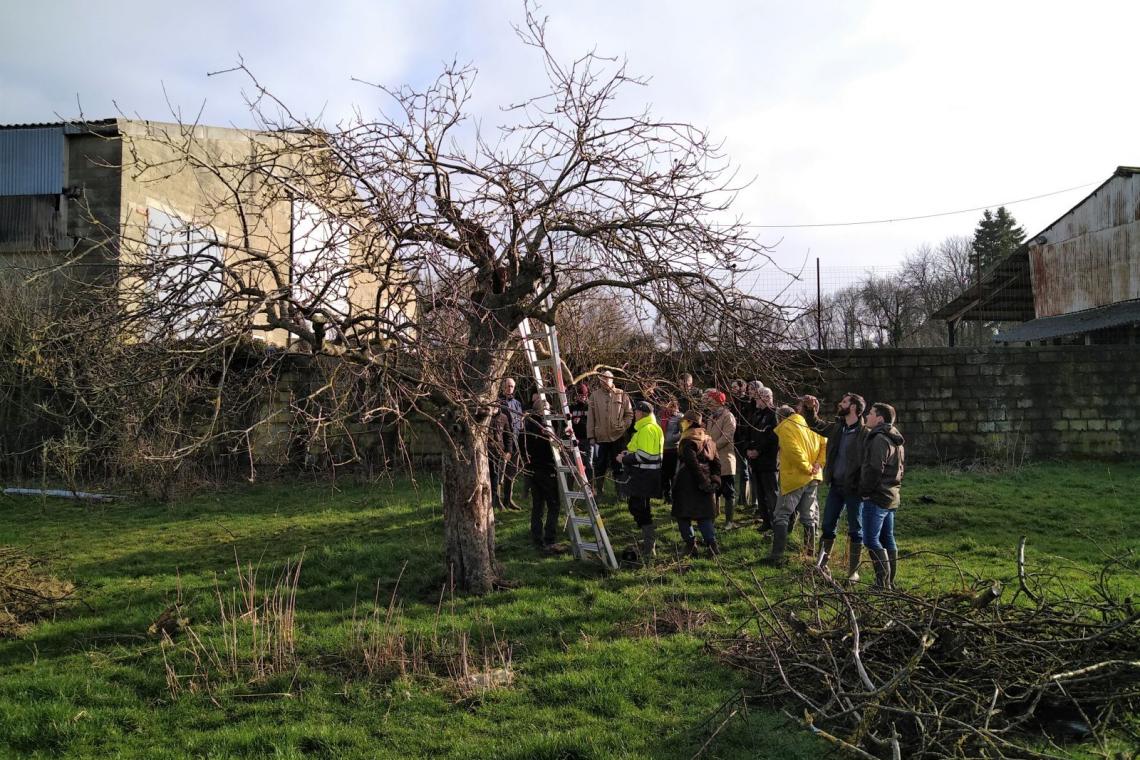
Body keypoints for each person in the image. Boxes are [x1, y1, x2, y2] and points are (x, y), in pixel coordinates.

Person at [802, 392, 868, 582]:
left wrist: (862, 484)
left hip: (854, 489)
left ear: (854, 407)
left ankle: (853, 572)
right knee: (828, 526)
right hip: (836, 487)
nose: (840, 403)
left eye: (845, 402)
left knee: (856, 529)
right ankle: (821, 566)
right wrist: (810, 409)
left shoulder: (865, 434)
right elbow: (816, 425)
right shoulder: (838, 428)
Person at [761, 402, 826, 567]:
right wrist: (818, 464)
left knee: (781, 514)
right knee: (808, 516)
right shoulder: (807, 425)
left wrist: (807, 467)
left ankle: (777, 555)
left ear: (779, 417)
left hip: (795, 477)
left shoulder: (786, 427)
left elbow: (793, 451)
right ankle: (809, 554)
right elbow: (823, 444)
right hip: (813, 477)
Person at [858, 402, 905, 589]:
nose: (867, 416)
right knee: (887, 538)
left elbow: (875, 468)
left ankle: (882, 583)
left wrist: (865, 492)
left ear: (879, 418)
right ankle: (889, 583)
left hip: (877, 496)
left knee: (871, 539)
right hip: (891, 495)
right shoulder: (896, 439)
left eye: (870, 413)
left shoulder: (879, 439)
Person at [670, 410, 721, 557]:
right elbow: (716, 463)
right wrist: (714, 480)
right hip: (704, 480)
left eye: (685, 421)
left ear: (691, 423)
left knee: (683, 516)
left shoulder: (687, 440)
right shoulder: (709, 440)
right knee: (703, 516)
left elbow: (692, 464)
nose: (683, 424)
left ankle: (691, 545)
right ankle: (712, 546)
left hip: (688, 482)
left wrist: (704, 482)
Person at [617, 400, 664, 559]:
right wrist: (627, 454)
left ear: (641, 413)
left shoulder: (646, 429)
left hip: (643, 476)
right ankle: (648, 543)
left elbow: (643, 456)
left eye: (635, 411)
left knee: (640, 509)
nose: (634, 414)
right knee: (640, 508)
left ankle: (649, 546)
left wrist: (624, 459)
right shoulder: (652, 428)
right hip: (647, 476)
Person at [521, 394, 561, 549]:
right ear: (542, 411)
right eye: (548, 409)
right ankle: (550, 538)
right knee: (553, 504)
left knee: (537, 506)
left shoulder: (528, 425)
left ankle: (536, 539)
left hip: (532, 470)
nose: (550, 412)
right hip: (546, 469)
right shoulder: (545, 427)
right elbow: (556, 445)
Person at [587, 370, 633, 501]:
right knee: (600, 466)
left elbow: (629, 414)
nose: (605, 381)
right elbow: (591, 417)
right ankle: (599, 494)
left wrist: (624, 425)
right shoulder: (594, 396)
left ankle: (621, 493)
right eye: (602, 379)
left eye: (607, 379)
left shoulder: (622, 394)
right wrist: (591, 436)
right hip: (601, 437)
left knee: (618, 465)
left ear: (612, 379)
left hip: (618, 437)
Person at [744, 383, 779, 532]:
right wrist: (748, 449)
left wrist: (758, 450)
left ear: (766, 397)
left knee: (771, 493)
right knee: (760, 492)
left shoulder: (774, 414)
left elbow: (772, 437)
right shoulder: (756, 414)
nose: (755, 400)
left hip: (768, 460)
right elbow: (749, 433)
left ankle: (778, 522)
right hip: (755, 461)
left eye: (758, 397)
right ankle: (766, 522)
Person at [704, 389, 738, 529]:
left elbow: (727, 436)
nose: (707, 403)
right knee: (714, 489)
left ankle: (729, 521)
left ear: (718, 401)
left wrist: (711, 447)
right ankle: (713, 517)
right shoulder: (712, 416)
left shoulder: (728, 416)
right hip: (713, 459)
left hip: (725, 459)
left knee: (728, 492)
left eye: (710, 400)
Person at [489, 378, 524, 511]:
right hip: (502, 444)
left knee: (512, 472)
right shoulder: (499, 403)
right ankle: (496, 499)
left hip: (515, 441)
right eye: (508, 386)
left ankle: (508, 499)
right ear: (503, 386)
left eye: (512, 386)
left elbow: (519, 421)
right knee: (499, 473)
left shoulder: (517, 403)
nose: (510, 388)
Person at [729, 379, 755, 512]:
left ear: (741, 388)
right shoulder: (732, 402)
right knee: (740, 468)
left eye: (735, 387)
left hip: (744, 439)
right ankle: (741, 498)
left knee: (746, 469)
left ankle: (745, 498)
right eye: (731, 387)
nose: (732, 389)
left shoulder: (748, 401)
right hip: (735, 439)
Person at [566, 381, 594, 486]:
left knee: (589, 465)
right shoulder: (572, 408)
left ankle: (591, 488)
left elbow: (593, 423)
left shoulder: (590, 407)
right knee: (572, 465)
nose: (583, 397)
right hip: (575, 440)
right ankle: (569, 488)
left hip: (587, 440)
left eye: (585, 395)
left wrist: (581, 421)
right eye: (581, 395)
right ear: (576, 396)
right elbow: (566, 424)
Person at [660, 398, 682, 503]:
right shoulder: (660, 416)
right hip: (662, 449)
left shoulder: (679, 417)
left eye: (669, 405)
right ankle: (666, 496)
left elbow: (683, 432)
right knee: (664, 474)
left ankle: (675, 496)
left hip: (674, 449)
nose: (666, 406)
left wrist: (672, 437)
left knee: (673, 474)